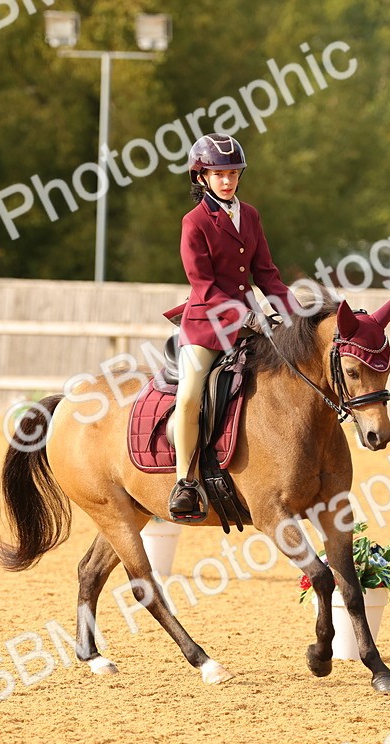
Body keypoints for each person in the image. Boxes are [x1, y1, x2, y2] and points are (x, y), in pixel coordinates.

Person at [162, 133, 301, 522]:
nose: (227, 180)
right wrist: (246, 316)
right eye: (218, 174)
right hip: (206, 327)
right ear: (201, 177)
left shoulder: (251, 215)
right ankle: (185, 482)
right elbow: (203, 287)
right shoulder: (194, 223)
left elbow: (267, 274)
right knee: (190, 395)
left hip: (253, 325)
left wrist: (294, 314)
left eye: (233, 173)